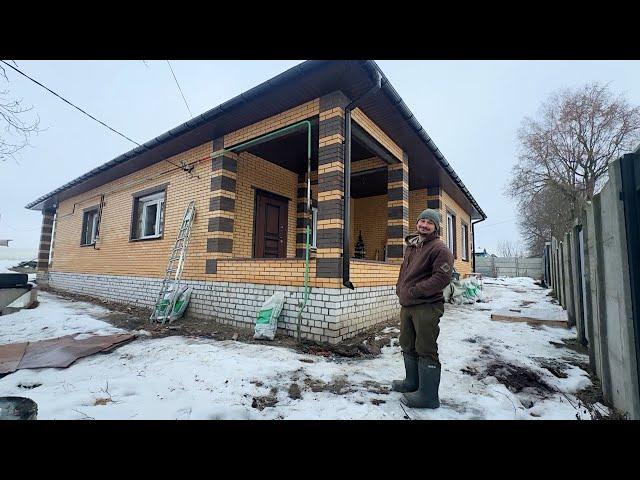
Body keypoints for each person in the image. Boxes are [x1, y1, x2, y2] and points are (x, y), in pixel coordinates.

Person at [392, 208, 454, 408]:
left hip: (426, 305)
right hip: (408, 304)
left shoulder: (439, 249)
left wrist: (416, 291)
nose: (424, 225)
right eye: (422, 221)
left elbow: (442, 277)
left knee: (425, 348)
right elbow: (405, 270)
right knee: (407, 343)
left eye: (430, 222)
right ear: (417, 223)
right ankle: (412, 383)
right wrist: (399, 288)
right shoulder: (412, 246)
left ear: (435, 227)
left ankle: (428, 397)